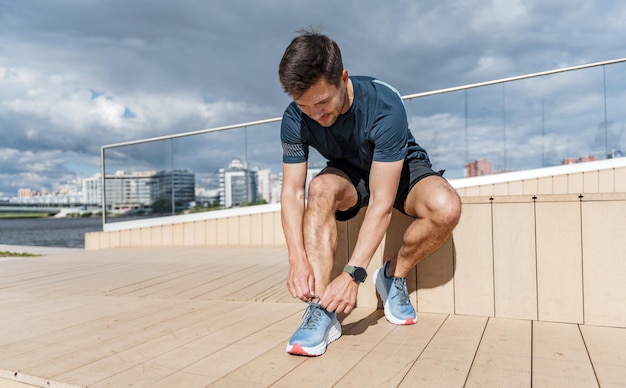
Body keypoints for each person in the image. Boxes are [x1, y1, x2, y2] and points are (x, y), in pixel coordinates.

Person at [278, 29, 461, 357]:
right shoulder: (295, 117)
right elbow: (292, 193)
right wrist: (297, 259)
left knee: (446, 207)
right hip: (348, 172)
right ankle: (323, 309)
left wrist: (354, 274)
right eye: (305, 107)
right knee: (319, 188)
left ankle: (393, 276)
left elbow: (381, 201)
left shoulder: (384, 104)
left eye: (322, 102)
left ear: (342, 78)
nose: (316, 115)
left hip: (399, 169)